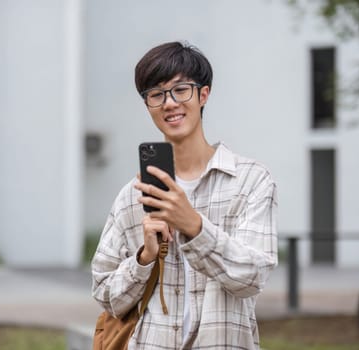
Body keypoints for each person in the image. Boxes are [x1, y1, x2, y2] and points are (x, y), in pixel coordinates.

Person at [91, 41, 278, 350]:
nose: (170, 103)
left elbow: (251, 277)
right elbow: (105, 294)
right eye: (157, 94)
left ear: (203, 94)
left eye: (181, 90)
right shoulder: (133, 194)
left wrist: (194, 226)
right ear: (148, 104)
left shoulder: (251, 181)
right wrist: (145, 258)